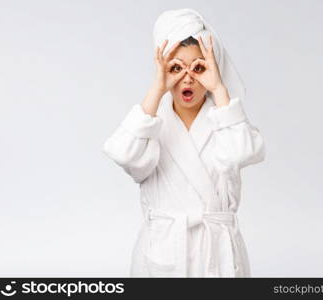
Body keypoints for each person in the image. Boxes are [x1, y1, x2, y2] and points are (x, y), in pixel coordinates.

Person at [102, 8, 265, 277]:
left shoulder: (225, 120)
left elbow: (243, 152)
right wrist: (157, 89)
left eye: (199, 67)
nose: (187, 77)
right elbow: (122, 153)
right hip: (163, 255)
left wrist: (220, 90)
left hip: (219, 257)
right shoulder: (151, 123)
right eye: (175, 68)